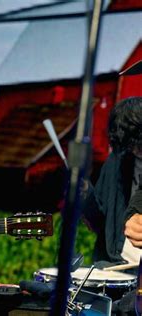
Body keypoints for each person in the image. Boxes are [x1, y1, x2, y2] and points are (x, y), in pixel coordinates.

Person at [81, 96, 142, 315]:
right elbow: (99, 219)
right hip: (117, 267)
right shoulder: (117, 161)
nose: (135, 150)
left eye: (138, 142)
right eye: (130, 144)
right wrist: (82, 192)